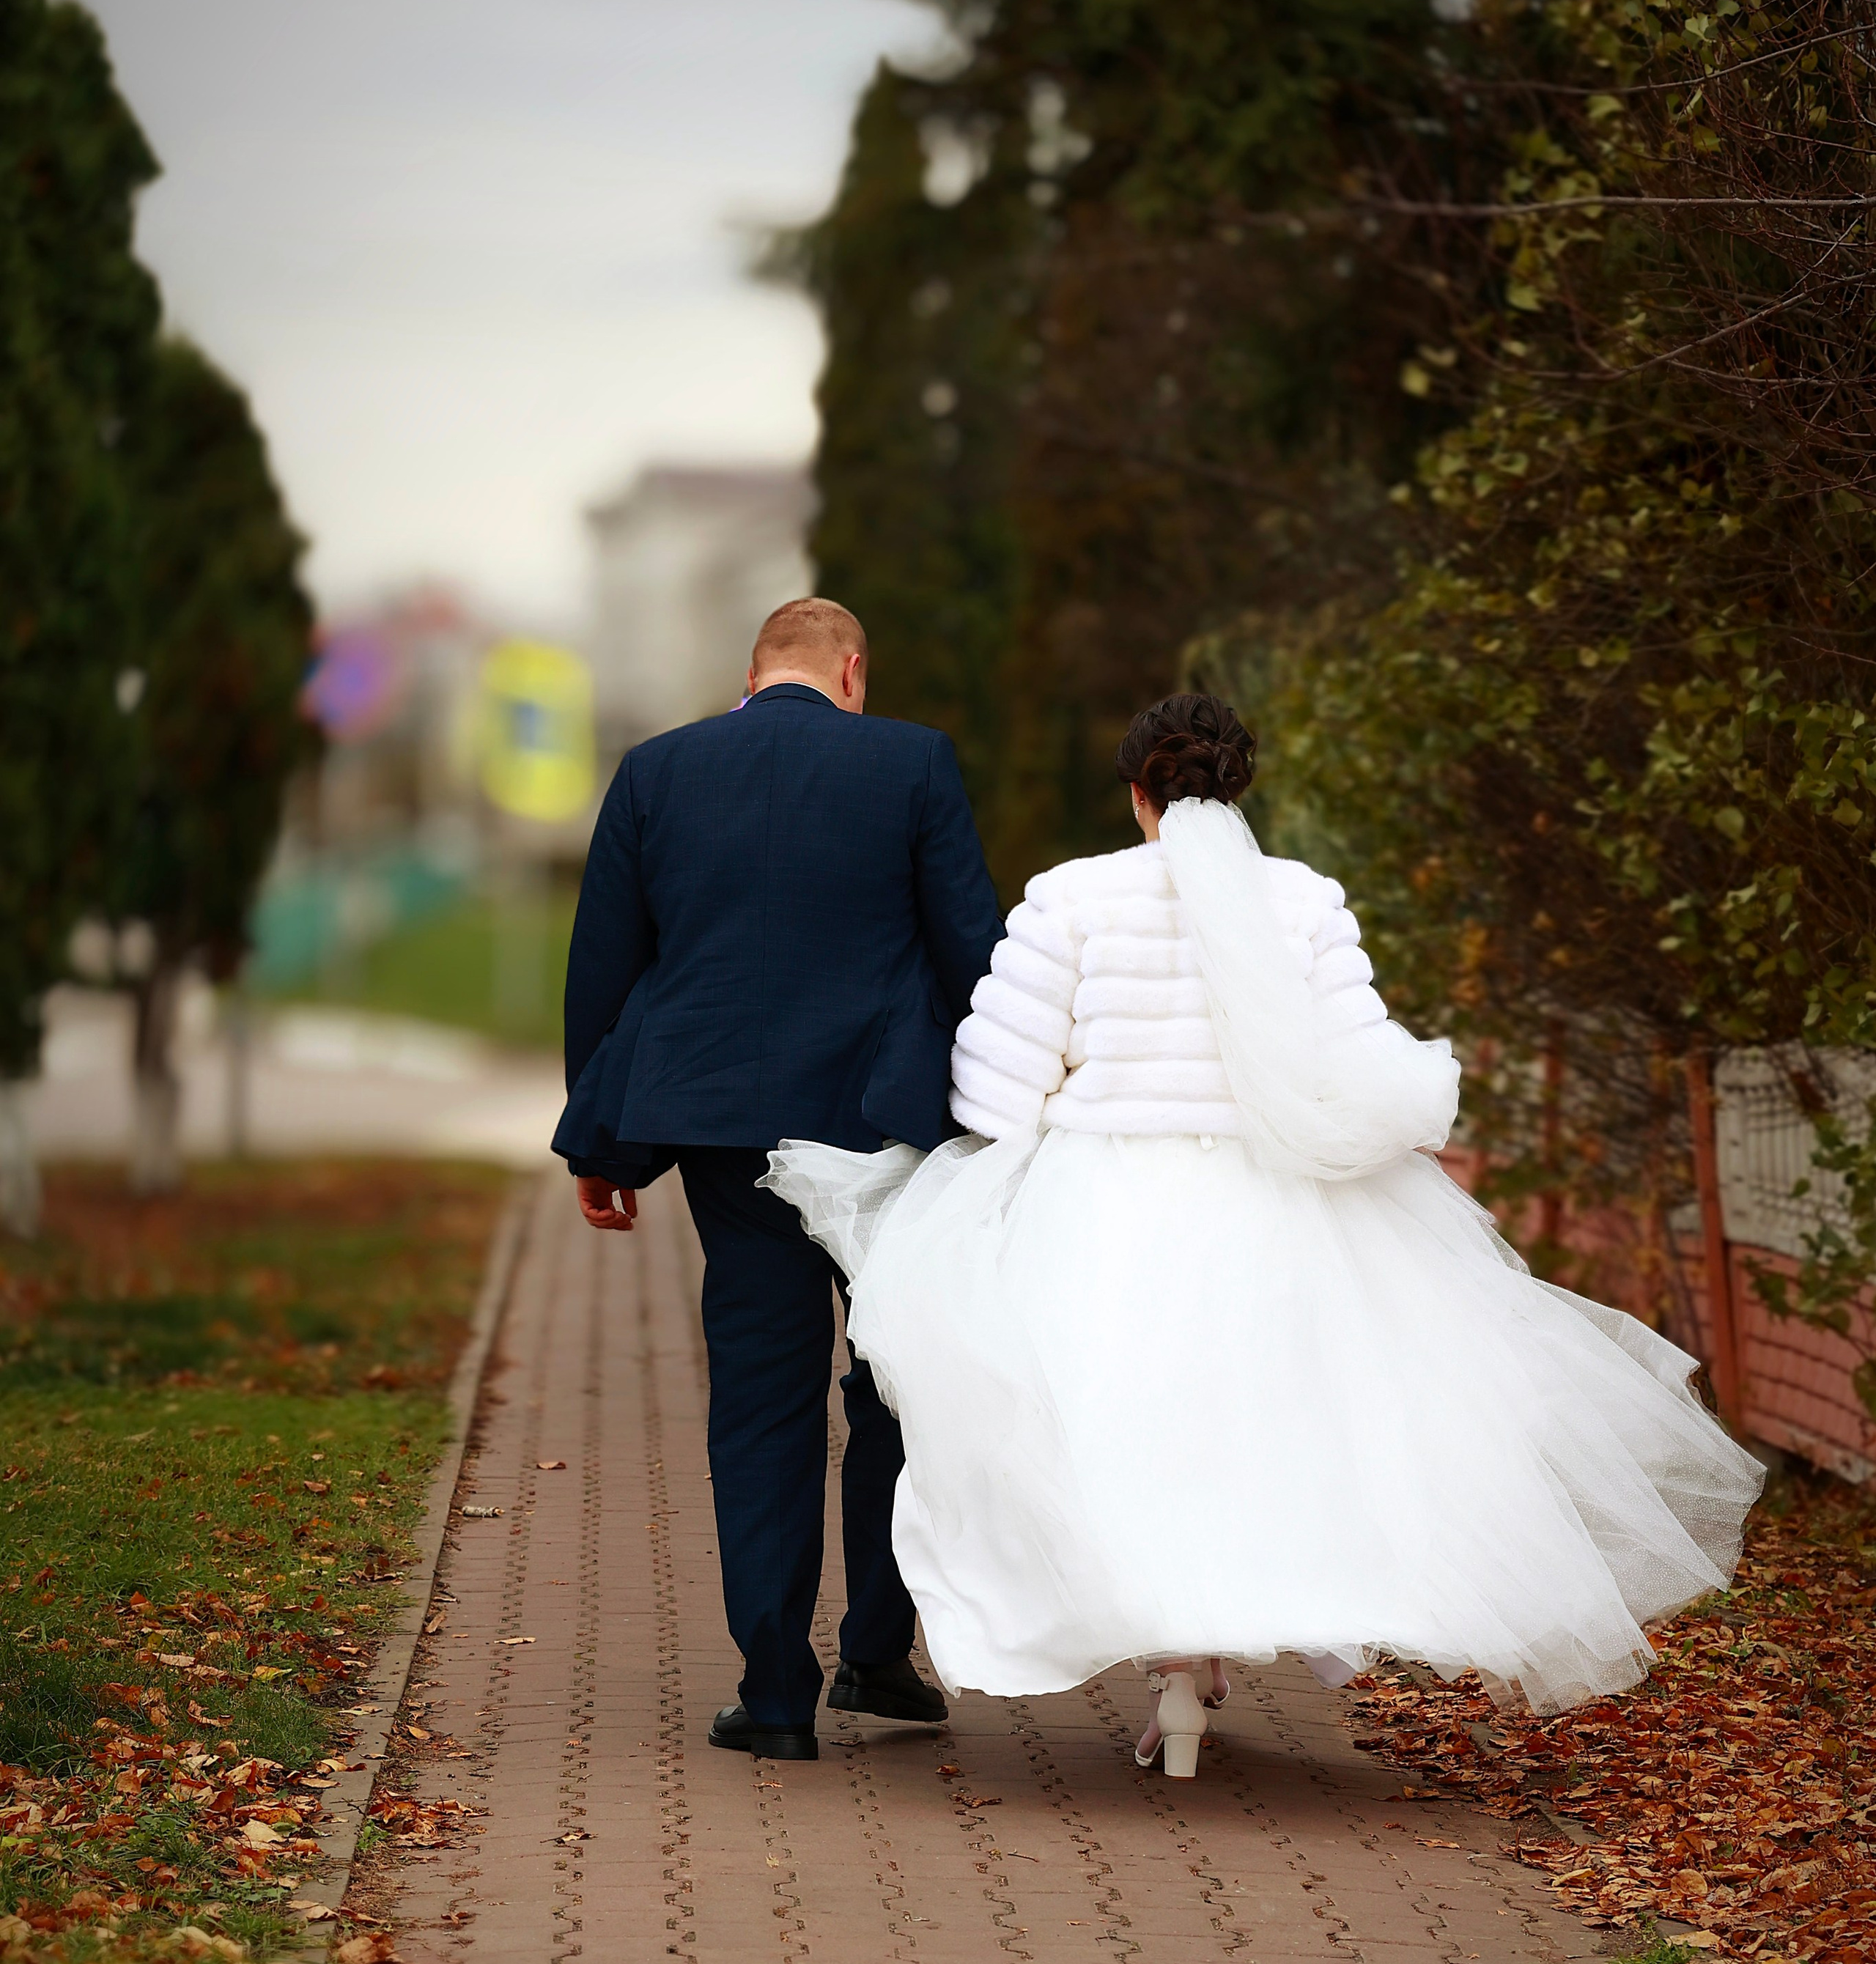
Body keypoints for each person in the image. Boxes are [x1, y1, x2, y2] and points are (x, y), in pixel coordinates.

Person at [765, 693, 1764, 1776]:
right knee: (1267, 1432)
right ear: (1237, 784)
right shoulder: (1305, 903)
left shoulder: (1072, 899)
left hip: (1107, 1204)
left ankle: (1175, 1667)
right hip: (1277, 1203)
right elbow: (1352, 1055)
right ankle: (1204, 1662)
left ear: (1137, 791)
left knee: (1115, 1429)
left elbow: (1000, 1092)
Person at [555, 596, 1004, 1761]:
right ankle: (875, 1653)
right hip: (883, 1131)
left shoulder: (658, 771)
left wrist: (602, 1142)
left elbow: (605, 960)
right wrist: (1005, 1124)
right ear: (853, 669)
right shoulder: (912, 762)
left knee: (761, 1395)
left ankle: (772, 1693)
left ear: (747, 675)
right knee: (895, 1378)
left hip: (722, 1131)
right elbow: (971, 951)